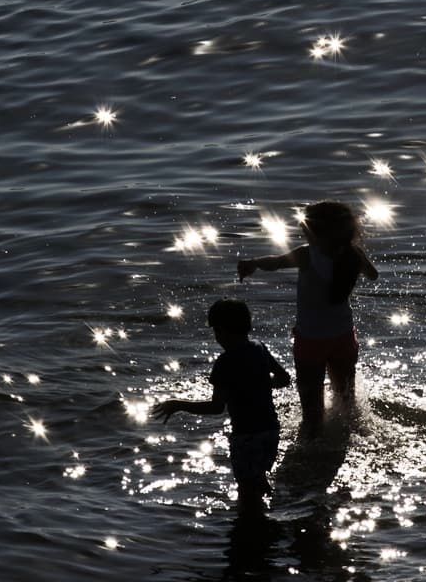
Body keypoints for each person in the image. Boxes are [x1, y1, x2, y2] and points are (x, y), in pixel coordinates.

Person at [237, 201, 378, 436]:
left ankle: (311, 452)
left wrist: (253, 264)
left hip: (311, 340)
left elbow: (276, 263)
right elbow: (373, 276)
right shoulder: (353, 254)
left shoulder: (307, 255)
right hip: (343, 337)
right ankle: (345, 439)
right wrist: (354, 260)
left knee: (312, 414)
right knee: (346, 401)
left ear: (313, 231)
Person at [153, 298, 291, 509]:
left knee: (246, 493)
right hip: (270, 432)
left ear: (224, 330)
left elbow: (216, 407)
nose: (216, 337)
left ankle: (254, 528)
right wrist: (257, 384)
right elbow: (284, 379)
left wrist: (178, 404)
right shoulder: (259, 348)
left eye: (216, 331)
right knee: (259, 477)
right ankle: (274, 509)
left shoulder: (225, 362)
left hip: (245, 436)